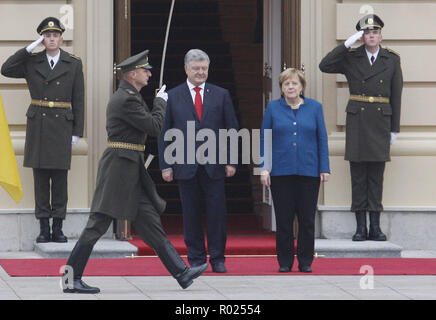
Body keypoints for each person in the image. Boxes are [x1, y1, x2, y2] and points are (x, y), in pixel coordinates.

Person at [62, 50, 208, 294]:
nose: (149, 74)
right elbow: (154, 126)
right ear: (132, 75)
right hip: (120, 167)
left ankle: (181, 273)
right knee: (97, 224)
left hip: (129, 167)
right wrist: (161, 102)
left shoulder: (131, 96)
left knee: (149, 222)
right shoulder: (126, 99)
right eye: (145, 70)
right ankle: (70, 279)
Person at [319, 14, 403, 241]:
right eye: (367, 33)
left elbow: (397, 94)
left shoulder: (391, 59)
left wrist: (394, 128)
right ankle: (360, 227)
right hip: (358, 121)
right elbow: (324, 65)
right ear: (361, 36)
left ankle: (375, 226)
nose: (371, 36)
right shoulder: (351, 56)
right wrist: (346, 44)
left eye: (374, 32)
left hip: (380, 121)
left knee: (376, 176)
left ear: (380, 35)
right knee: (358, 176)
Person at [1, 17, 84, 243]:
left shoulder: (73, 63)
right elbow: (6, 69)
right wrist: (29, 48)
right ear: (42, 38)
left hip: (61, 126)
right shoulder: (31, 61)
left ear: (61, 38)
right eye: (46, 36)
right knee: (40, 180)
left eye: (55, 35)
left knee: (59, 181)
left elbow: (79, 98)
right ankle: (43, 227)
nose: (51, 39)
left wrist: (78, 131)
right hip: (39, 125)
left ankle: (58, 227)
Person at [158, 49, 239, 273]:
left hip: (215, 164)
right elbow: (165, 132)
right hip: (184, 164)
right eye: (196, 69)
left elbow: (231, 129)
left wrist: (231, 161)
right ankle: (195, 258)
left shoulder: (221, 94)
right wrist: (166, 165)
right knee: (191, 213)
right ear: (186, 69)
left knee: (217, 213)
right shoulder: (173, 96)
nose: (200, 72)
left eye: (204, 68)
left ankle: (218, 258)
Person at [260, 68, 330, 273]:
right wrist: (264, 168)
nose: (290, 87)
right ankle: (284, 262)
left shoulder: (315, 108)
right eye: (286, 84)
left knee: (307, 219)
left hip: (309, 171)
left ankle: (306, 261)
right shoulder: (273, 108)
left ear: (301, 87)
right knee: (284, 219)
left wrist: (324, 167)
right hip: (281, 172)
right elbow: (265, 138)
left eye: (294, 83)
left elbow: (322, 138)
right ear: (281, 88)